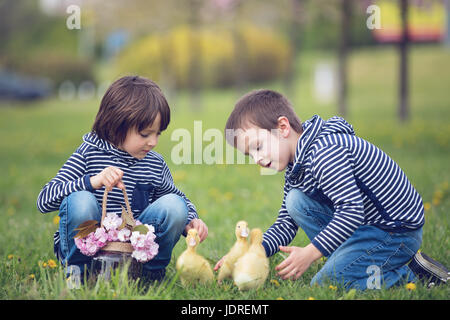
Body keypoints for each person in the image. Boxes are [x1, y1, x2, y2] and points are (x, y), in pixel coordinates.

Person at [215, 89, 448, 290]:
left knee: (326, 282)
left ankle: (410, 272)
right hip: (365, 227)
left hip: (394, 231)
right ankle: (350, 256)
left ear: (283, 127)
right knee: (296, 201)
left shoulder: (326, 153)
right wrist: (251, 254)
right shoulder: (296, 165)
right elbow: (286, 223)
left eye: (258, 146)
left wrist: (311, 251)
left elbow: (351, 211)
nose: (256, 158)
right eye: (250, 154)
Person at [37, 76, 208, 282]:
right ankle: (78, 273)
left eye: (158, 134)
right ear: (116, 125)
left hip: (133, 245)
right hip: (91, 243)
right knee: (80, 199)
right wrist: (92, 182)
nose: (153, 142)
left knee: (174, 205)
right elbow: (45, 199)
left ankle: (149, 274)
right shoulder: (89, 153)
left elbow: (175, 198)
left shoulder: (153, 162)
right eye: (145, 134)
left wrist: (191, 218)